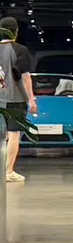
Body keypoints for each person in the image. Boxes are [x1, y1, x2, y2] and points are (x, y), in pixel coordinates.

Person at [0, 16, 35, 183]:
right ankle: (8, 172)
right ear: (16, 31)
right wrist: (31, 100)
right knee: (14, 135)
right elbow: (26, 77)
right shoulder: (20, 50)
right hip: (15, 100)